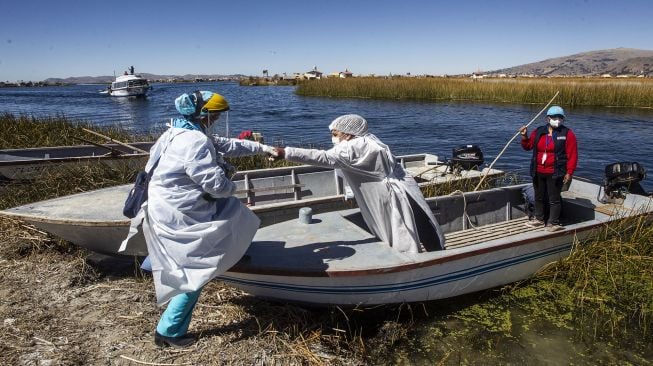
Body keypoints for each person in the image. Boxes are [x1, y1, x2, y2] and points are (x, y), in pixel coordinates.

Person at [120, 90, 277, 348]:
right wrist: (232, 185)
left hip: (164, 206)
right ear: (203, 115)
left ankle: (227, 255)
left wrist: (261, 147)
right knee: (194, 273)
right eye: (214, 116)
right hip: (181, 212)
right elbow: (215, 185)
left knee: (236, 215)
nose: (216, 120)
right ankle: (168, 333)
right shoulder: (194, 141)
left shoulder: (176, 132)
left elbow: (226, 145)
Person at [273, 114, 445, 253]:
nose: (333, 138)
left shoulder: (353, 147)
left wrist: (285, 152)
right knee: (419, 220)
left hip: (388, 194)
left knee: (398, 228)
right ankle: (436, 252)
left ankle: (412, 261)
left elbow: (323, 157)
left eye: (335, 134)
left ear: (348, 134)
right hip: (404, 187)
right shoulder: (369, 139)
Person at [520, 105, 578, 232]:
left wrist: (569, 172)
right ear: (548, 118)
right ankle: (539, 219)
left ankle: (553, 223)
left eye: (560, 117)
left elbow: (572, 155)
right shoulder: (539, 131)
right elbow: (528, 146)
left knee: (554, 199)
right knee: (539, 197)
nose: (557, 119)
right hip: (538, 170)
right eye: (554, 117)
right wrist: (524, 136)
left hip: (556, 172)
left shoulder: (568, 134)